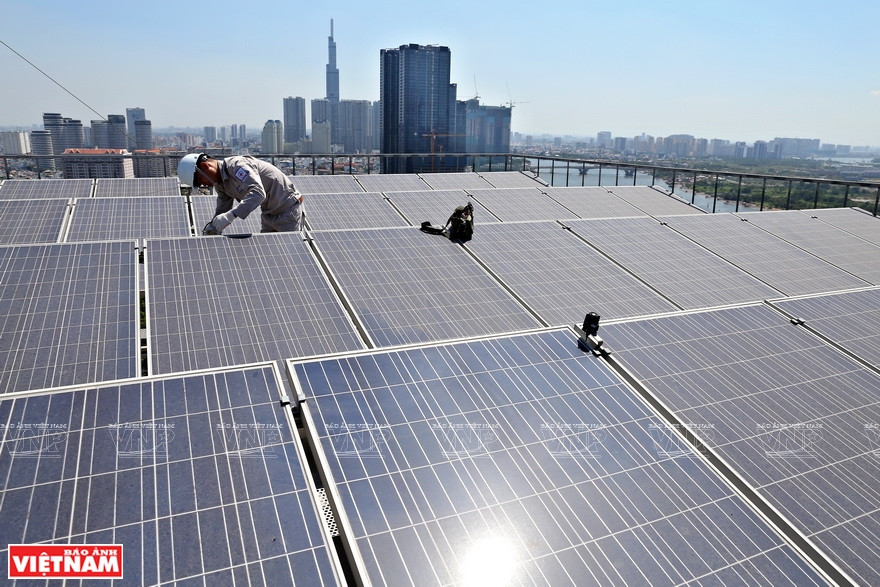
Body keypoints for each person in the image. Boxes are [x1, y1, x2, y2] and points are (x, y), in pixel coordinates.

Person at [177, 153, 303, 234]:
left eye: (200, 180)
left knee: (288, 253)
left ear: (205, 166)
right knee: (270, 254)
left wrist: (230, 216)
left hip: (288, 211)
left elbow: (258, 193)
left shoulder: (237, 167)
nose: (204, 185)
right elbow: (222, 210)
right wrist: (213, 227)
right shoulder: (220, 185)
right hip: (268, 214)